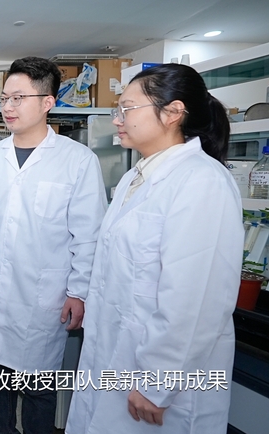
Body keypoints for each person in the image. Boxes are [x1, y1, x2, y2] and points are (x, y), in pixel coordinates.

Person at [65, 63, 243, 434]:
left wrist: (157, 383)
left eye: (127, 109)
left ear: (173, 112)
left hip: (160, 386)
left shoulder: (202, 181)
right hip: (116, 359)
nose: (117, 120)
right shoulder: (136, 177)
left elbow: (196, 300)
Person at [0, 57, 107, 434]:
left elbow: (89, 234)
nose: (8, 106)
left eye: (18, 98)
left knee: (39, 389)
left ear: (47, 102)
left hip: (44, 294)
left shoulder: (78, 161)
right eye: (4, 98)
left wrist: (79, 291)